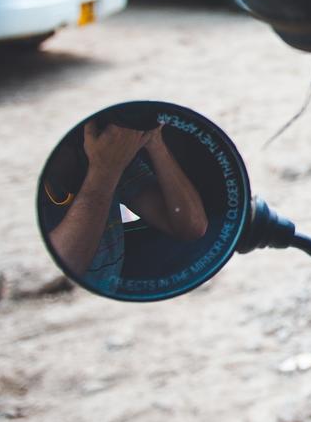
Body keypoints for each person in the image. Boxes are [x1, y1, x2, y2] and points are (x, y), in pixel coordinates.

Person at [42, 119, 208, 294]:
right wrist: (104, 171)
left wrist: (155, 142)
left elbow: (192, 228)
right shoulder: (105, 163)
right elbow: (62, 268)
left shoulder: (108, 158)